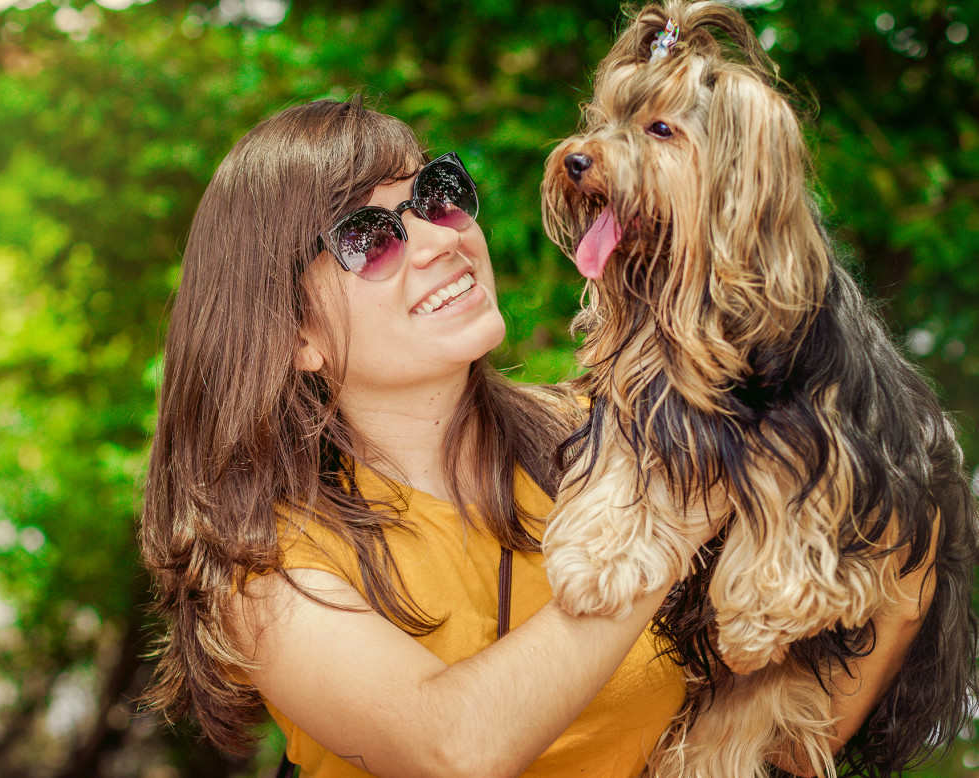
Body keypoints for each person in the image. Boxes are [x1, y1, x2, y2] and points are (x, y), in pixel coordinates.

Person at [138, 96, 926, 778]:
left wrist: (906, 577)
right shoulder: (263, 565)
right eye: (369, 237)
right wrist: (675, 513)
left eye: (437, 197)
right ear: (292, 335)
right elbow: (454, 751)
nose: (441, 238)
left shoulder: (604, 436)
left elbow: (782, 745)